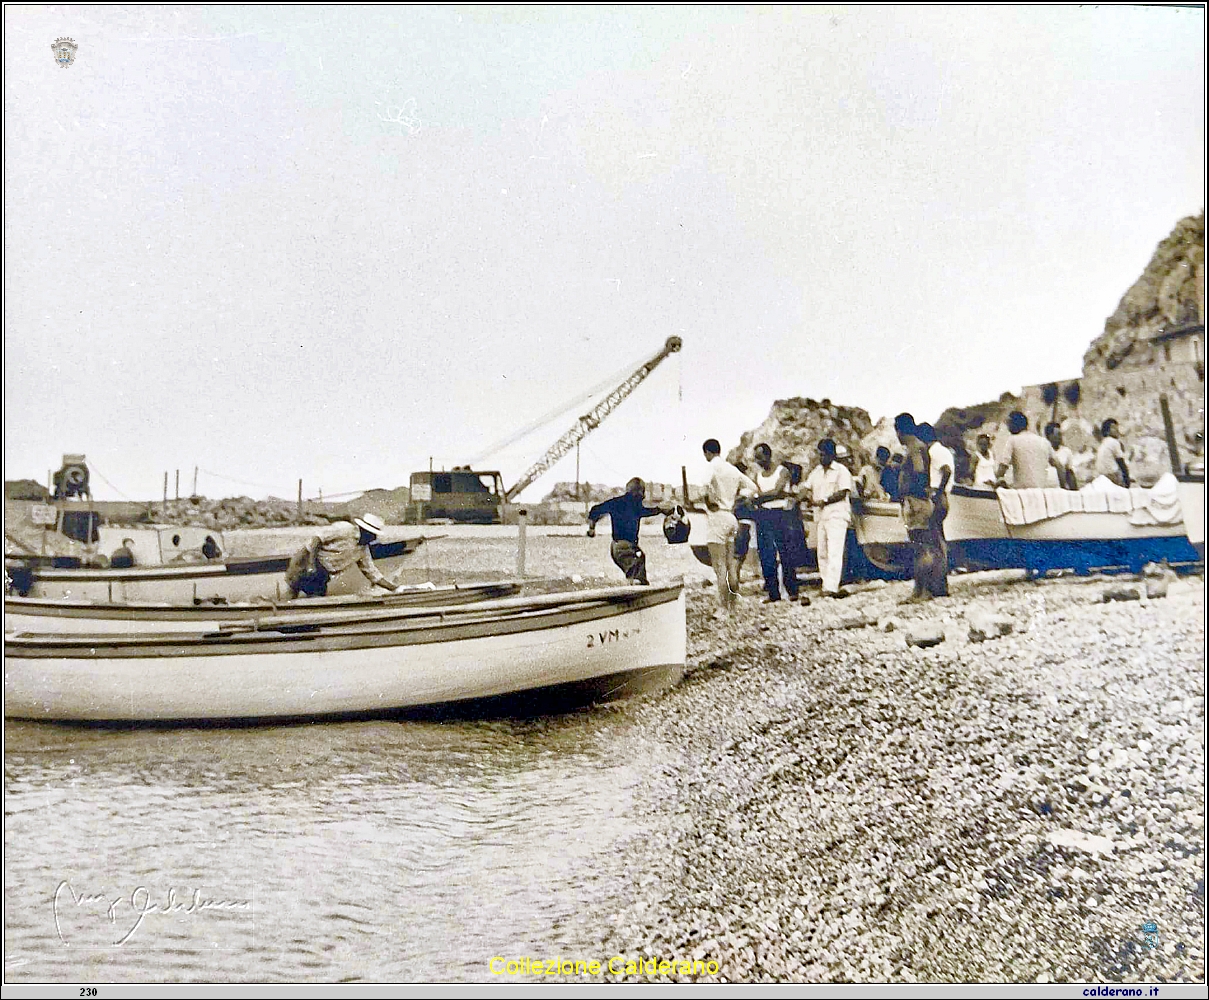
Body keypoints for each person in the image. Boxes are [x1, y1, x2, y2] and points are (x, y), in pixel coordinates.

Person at [703, 439, 758, 618]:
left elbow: (704, 488)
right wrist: (737, 499)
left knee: (719, 567)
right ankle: (732, 606)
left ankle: (723, 609)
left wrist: (709, 502)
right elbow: (752, 487)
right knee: (731, 566)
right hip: (731, 517)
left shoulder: (712, 466)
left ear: (707, 453)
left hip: (717, 517)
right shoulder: (732, 469)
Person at [285, 513, 402, 598]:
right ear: (365, 531)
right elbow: (317, 539)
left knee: (316, 596)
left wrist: (395, 588)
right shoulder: (344, 529)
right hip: (306, 559)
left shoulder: (363, 550)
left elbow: (372, 573)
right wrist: (311, 564)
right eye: (373, 535)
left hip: (323, 571)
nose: (374, 539)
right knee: (294, 589)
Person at [586, 478, 673, 585]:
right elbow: (646, 511)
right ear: (637, 492)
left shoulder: (616, 502)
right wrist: (660, 510)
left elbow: (595, 510)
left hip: (617, 547)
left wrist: (591, 528)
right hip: (624, 548)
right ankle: (637, 589)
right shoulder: (634, 504)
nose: (644, 496)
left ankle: (637, 586)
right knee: (637, 565)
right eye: (643, 492)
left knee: (639, 560)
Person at [895, 413, 940, 602]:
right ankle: (920, 591)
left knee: (921, 548)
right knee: (921, 547)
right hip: (918, 501)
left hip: (917, 502)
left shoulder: (914, 448)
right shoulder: (918, 446)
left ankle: (923, 591)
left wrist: (912, 497)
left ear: (901, 430)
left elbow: (920, 471)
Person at [750, 443, 800, 603]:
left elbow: (777, 491)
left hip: (780, 514)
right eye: (756, 458)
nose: (757, 461)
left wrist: (760, 497)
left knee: (786, 552)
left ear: (768, 455)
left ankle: (792, 590)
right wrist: (766, 496)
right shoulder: (757, 475)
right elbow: (762, 494)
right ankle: (773, 593)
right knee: (766, 554)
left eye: (760, 457)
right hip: (764, 514)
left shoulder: (782, 471)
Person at [804, 438, 853, 599]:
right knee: (822, 551)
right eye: (819, 454)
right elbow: (806, 488)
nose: (821, 457)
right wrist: (803, 497)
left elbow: (843, 492)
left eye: (823, 454)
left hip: (837, 515)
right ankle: (826, 583)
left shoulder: (841, 471)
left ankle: (831, 586)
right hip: (821, 517)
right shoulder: (816, 472)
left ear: (832, 454)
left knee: (834, 551)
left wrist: (823, 500)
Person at [916, 423, 952, 598]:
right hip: (943, 497)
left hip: (937, 497)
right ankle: (940, 584)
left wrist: (937, 493)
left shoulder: (934, 452)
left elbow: (946, 471)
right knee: (939, 541)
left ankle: (936, 586)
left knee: (934, 542)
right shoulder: (943, 450)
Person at [995, 411, 1066, 489]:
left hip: (1021, 492)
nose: (1008, 428)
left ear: (1013, 424)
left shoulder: (1013, 440)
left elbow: (1003, 466)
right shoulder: (1044, 442)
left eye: (1008, 424)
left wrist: (997, 480)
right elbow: (1060, 467)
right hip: (1040, 491)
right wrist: (1063, 487)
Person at [1095, 418, 1130, 487]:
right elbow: (1121, 462)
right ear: (1107, 431)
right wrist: (1127, 479)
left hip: (1102, 476)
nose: (1117, 430)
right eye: (1113, 428)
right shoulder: (1114, 442)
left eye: (1117, 427)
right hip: (1112, 475)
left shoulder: (1104, 442)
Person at [1045, 422, 1077, 490]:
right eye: (1058, 434)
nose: (1060, 437)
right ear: (1049, 436)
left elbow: (1070, 473)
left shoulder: (1066, 451)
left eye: (1061, 434)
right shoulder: (1043, 451)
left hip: (1061, 489)